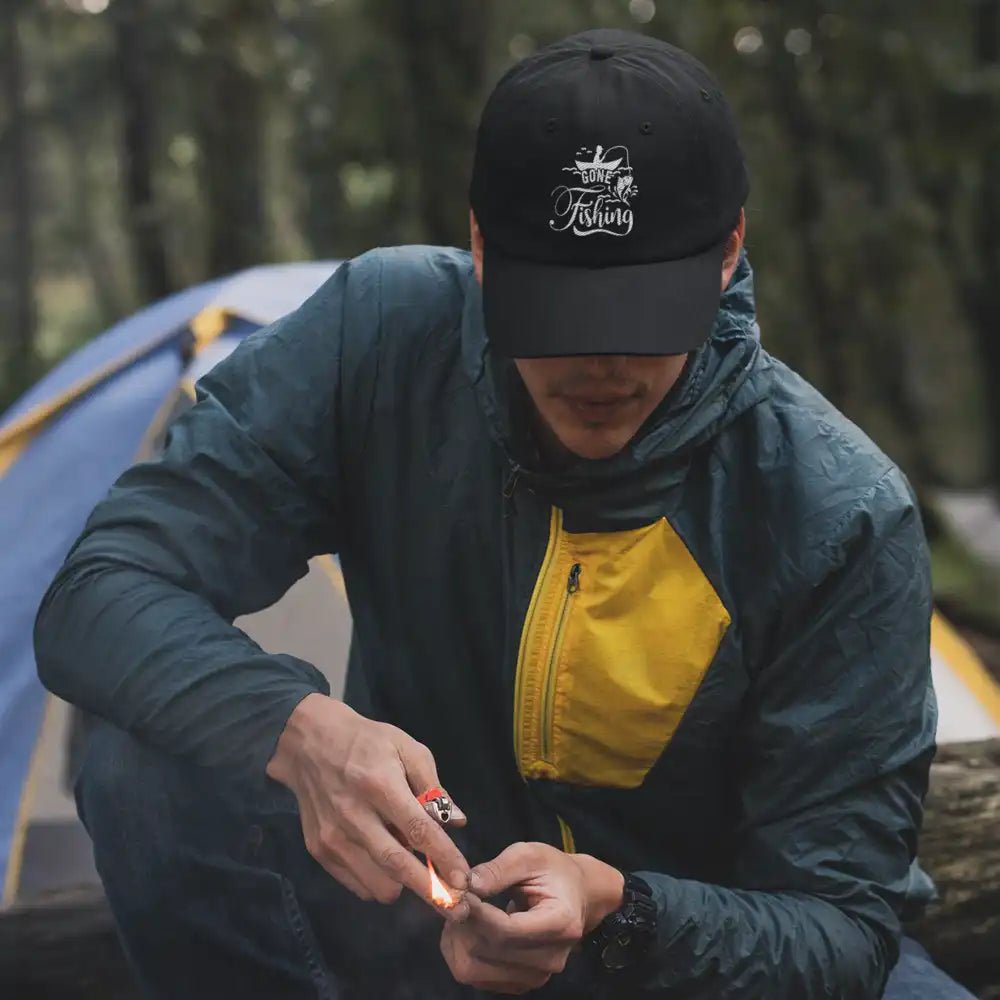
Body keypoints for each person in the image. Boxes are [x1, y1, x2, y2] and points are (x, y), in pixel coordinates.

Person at [35, 28, 972, 1000]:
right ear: (480, 245)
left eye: (643, 312)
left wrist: (621, 911)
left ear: (729, 251)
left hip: (674, 955)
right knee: (146, 750)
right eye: (559, 312)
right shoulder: (383, 337)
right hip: (416, 918)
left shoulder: (833, 508)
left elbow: (839, 922)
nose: (601, 364)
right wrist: (298, 729)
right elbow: (99, 590)